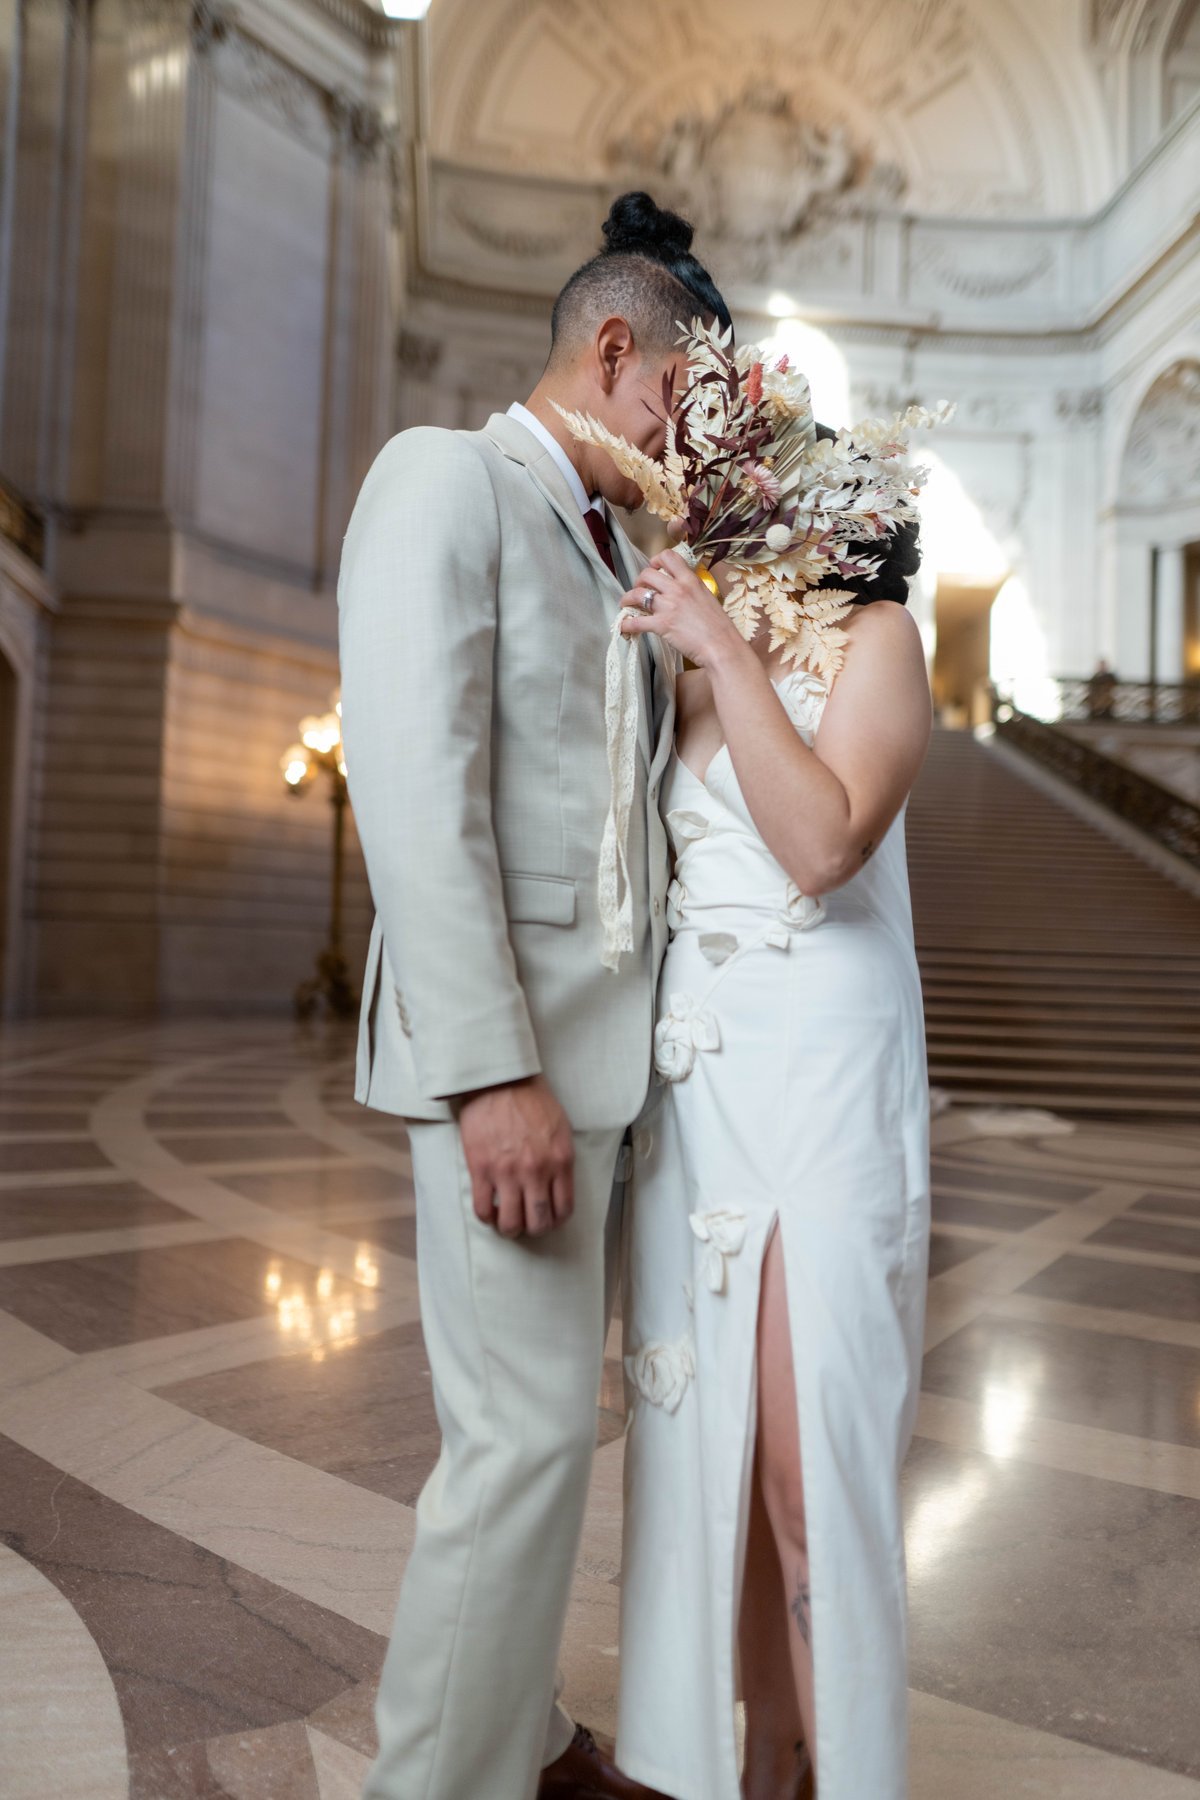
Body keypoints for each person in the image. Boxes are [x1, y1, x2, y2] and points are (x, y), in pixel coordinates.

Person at [337, 192, 731, 1800]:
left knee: (544, 1444)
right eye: (679, 409)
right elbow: (416, 788)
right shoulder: (445, 478)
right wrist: (493, 1073)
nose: (684, 446)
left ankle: (524, 1741)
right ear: (613, 349)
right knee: (509, 1450)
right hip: (509, 1069)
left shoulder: (607, 547)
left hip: (601, 1073)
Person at [613, 521, 933, 1800]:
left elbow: (822, 846)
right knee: (719, 1458)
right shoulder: (683, 663)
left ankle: (846, 1772)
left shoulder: (878, 639)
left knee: (811, 1460)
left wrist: (722, 653)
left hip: (821, 1065)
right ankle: (760, 1764)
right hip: (700, 1084)